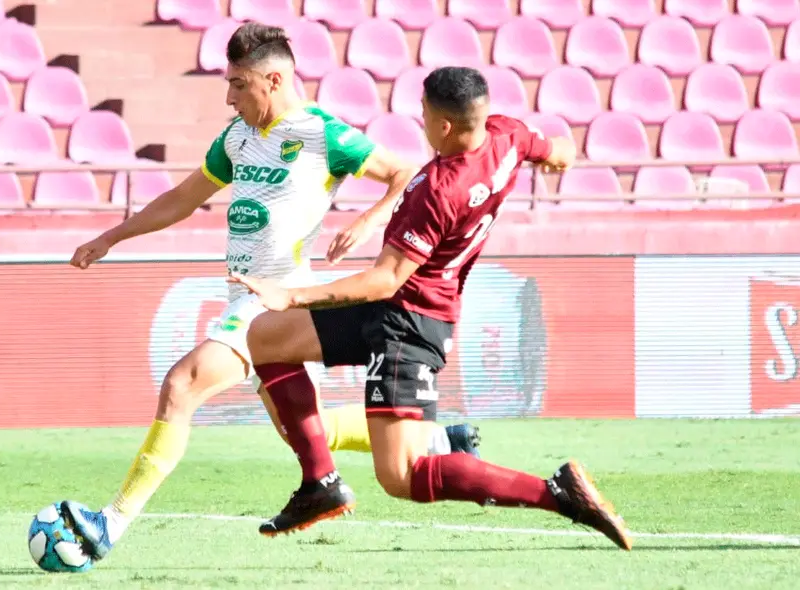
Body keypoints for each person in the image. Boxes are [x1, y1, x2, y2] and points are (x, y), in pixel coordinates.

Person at [58, 24, 482, 562]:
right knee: (306, 428)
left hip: (277, 298)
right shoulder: (236, 138)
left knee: (181, 385)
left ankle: (110, 524)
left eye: (238, 84)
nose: (229, 98)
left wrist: (369, 221)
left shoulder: (321, 133)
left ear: (273, 79)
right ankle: (443, 442)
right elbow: (184, 197)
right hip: (246, 298)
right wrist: (111, 236)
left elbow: (403, 171)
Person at [230, 65, 633, 550]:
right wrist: (559, 156)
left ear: (444, 125)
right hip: (396, 307)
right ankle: (320, 482)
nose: (419, 119)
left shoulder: (440, 189)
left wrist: (290, 294)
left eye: (423, 112)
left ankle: (558, 494)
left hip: (408, 322)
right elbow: (556, 149)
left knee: (402, 476)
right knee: (266, 336)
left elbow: (385, 279)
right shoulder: (506, 135)